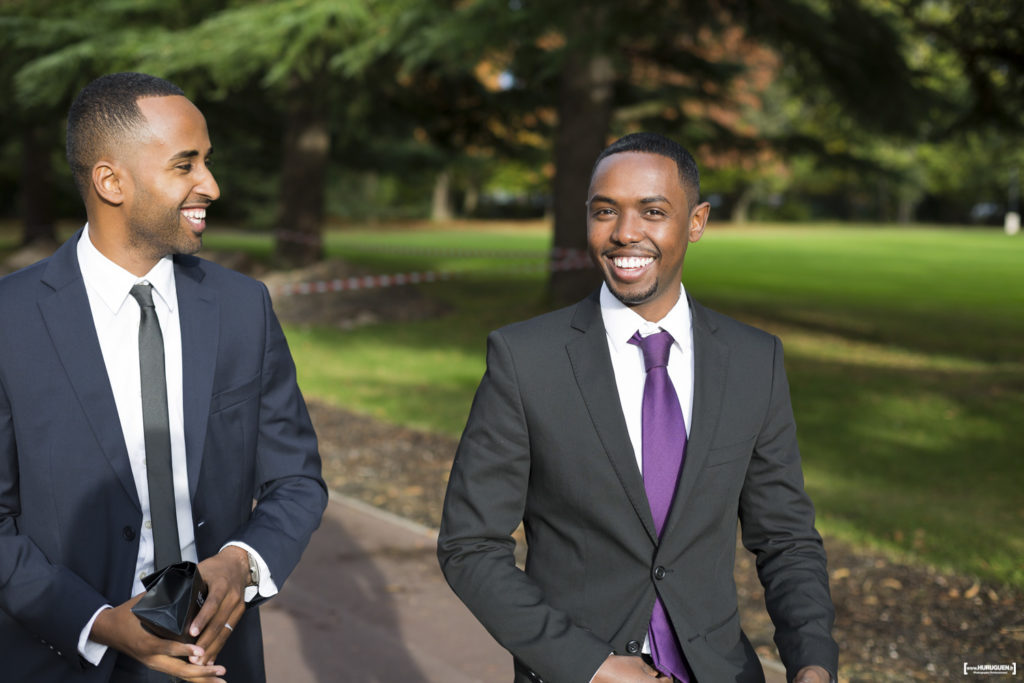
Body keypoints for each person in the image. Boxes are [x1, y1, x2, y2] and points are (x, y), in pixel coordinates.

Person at [438, 133, 838, 683]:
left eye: (653, 211)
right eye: (605, 212)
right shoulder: (525, 359)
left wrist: (813, 662)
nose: (625, 233)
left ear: (696, 222)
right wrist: (592, 666)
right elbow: (470, 546)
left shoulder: (754, 361)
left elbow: (785, 537)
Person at [0, 72, 327, 682]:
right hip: (60, 653)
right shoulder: (8, 321)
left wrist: (242, 561)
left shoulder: (242, 307)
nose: (212, 185)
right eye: (186, 164)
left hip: (213, 658)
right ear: (111, 181)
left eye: (208, 161)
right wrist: (96, 620)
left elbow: (296, 480)